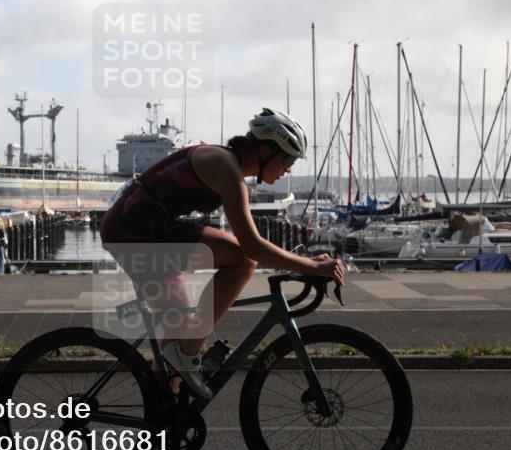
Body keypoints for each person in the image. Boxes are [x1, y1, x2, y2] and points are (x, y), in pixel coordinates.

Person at [99, 108, 346, 402]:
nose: (289, 169)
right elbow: (252, 246)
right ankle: (186, 359)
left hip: (145, 227)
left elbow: (248, 240)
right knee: (242, 261)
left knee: (178, 328)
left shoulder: (227, 164)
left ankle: (163, 413)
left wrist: (304, 264)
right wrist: (310, 266)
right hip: (136, 231)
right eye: (288, 159)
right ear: (265, 150)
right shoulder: (226, 169)